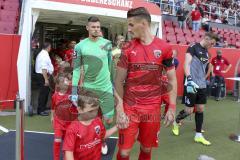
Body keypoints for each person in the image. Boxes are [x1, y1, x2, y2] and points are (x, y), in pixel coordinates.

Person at [115, 7, 177, 160]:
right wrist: (120, 109)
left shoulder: (165, 48)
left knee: (146, 148)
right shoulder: (127, 48)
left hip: (152, 109)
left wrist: (172, 107)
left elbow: (172, 79)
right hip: (130, 108)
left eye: (131, 25)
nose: (128, 29)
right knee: (123, 152)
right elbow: (118, 80)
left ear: (143, 23)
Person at [71, 16, 115, 155]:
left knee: (108, 119)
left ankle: (101, 138)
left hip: (106, 88)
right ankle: (96, 141)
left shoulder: (107, 43)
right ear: (87, 27)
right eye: (93, 27)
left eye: (98, 27)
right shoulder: (79, 46)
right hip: (88, 88)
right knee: (89, 118)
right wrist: (74, 90)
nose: (96, 29)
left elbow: (110, 65)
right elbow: (77, 69)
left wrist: (112, 83)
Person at [174, 32, 219, 146]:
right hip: (191, 83)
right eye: (212, 43)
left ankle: (198, 135)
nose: (212, 46)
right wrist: (189, 79)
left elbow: (209, 66)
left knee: (200, 109)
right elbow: (186, 64)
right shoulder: (193, 47)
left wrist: (205, 77)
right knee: (189, 110)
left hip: (202, 85)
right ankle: (176, 120)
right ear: (207, 39)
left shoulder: (207, 53)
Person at [63, 89, 118, 160]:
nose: (94, 114)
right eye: (91, 111)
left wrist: (117, 126)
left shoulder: (97, 121)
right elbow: (68, 152)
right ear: (79, 109)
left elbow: (102, 135)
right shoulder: (73, 129)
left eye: (96, 110)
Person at [51, 74, 77, 160]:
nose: (66, 83)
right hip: (58, 122)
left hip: (69, 123)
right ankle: (56, 158)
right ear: (58, 85)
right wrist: (52, 117)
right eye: (64, 81)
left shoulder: (70, 95)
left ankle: (66, 157)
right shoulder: (55, 96)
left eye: (67, 81)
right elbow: (53, 107)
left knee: (67, 142)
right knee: (57, 140)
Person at [35, 42, 54, 116]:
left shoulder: (43, 54)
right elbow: (44, 68)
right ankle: (40, 110)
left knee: (45, 93)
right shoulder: (44, 55)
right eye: (50, 47)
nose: (50, 48)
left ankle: (43, 108)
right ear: (48, 47)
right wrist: (46, 79)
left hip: (42, 75)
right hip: (42, 76)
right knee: (43, 93)